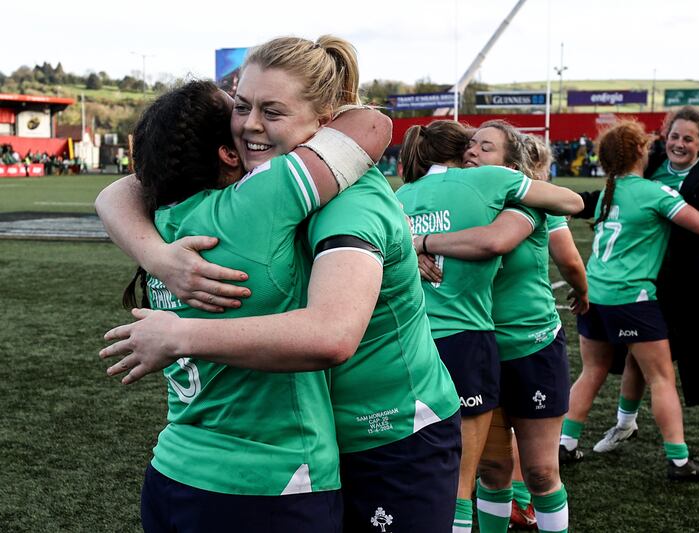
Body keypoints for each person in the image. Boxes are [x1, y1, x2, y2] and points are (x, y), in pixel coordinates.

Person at [98, 35, 462, 533]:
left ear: (326, 121)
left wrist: (178, 332)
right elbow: (125, 188)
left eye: (272, 111)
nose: (249, 124)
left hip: (389, 433)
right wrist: (158, 257)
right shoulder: (263, 193)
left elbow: (331, 334)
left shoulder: (349, 202)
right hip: (319, 441)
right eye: (241, 105)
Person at [395, 120, 583, 533]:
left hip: (530, 346)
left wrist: (421, 242)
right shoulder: (468, 195)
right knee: (493, 469)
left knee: (539, 473)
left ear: (511, 164)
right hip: (480, 349)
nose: (474, 152)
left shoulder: (522, 200)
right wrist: (415, 246)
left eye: (486, 146)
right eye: (471, 146)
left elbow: (495, 241)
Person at [587, 106, 699, 470]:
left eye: (688, 139)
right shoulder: (651, 165)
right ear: (664, 136)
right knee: (639, 355)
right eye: (674, 136)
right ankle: (625, 424)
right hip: (653, 279)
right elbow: (616, 184)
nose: (679, 144)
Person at [558, 119, 699, 481]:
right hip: (632, 298)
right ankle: (679, 460)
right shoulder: (652, 192)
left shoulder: (608, 191)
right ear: (639, 152)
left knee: (592, 371)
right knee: (662, 378)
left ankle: (565, 443)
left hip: (595, 294)